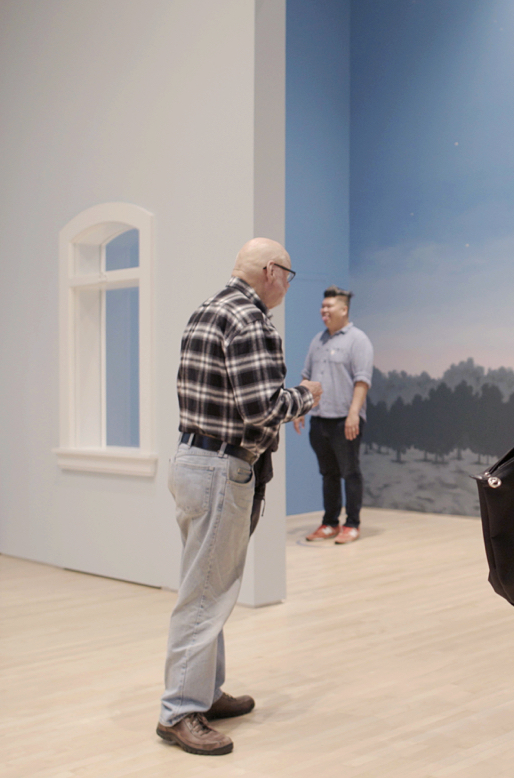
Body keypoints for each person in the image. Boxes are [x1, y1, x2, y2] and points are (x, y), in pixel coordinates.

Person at [157, 238, 322, 756]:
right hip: (221, 469)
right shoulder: (250, 321)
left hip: (194, 461)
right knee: (205, 594)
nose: (288, 287)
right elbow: (259, 408)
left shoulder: (207, 310)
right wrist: (306, 397)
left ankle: (204, 691)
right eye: (289, 276)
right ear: (272, 271)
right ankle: (181, 711)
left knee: (210, 585)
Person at [295, 286, 374, 545]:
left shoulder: (358, 340)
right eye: (322, 307)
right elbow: (306, 376)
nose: (324, 311)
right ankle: (330, 523)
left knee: (350, 472)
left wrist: (354, 415)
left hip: (345, 419)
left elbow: (362, 381)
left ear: (344, 309)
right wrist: (299, 408)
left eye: (329, 307)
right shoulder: (318, 340)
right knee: (327, 473)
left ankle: (352, 524)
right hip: (320, 419)